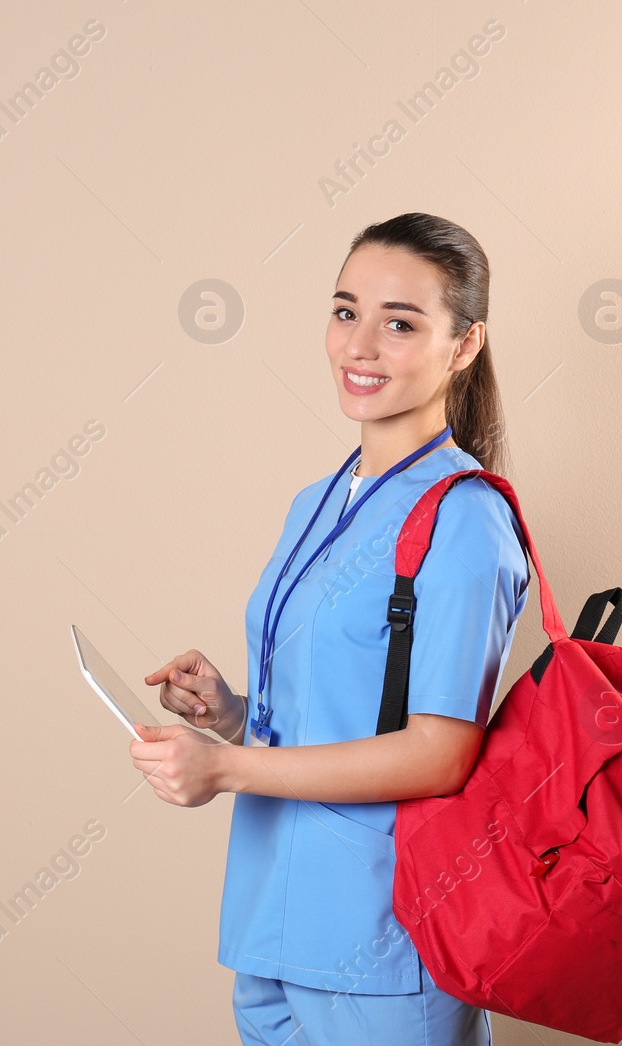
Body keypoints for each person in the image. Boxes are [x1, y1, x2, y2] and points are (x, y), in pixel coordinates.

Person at [129, 213, 530, 1046]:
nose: (361, 346)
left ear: (464, 345)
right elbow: (341, 708)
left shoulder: (466, 518)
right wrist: (232, 715)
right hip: (270, 928)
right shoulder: (316, 502)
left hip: (379, 945)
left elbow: (440, 750)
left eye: (400, 323)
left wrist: (228, 766)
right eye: (346, 312)